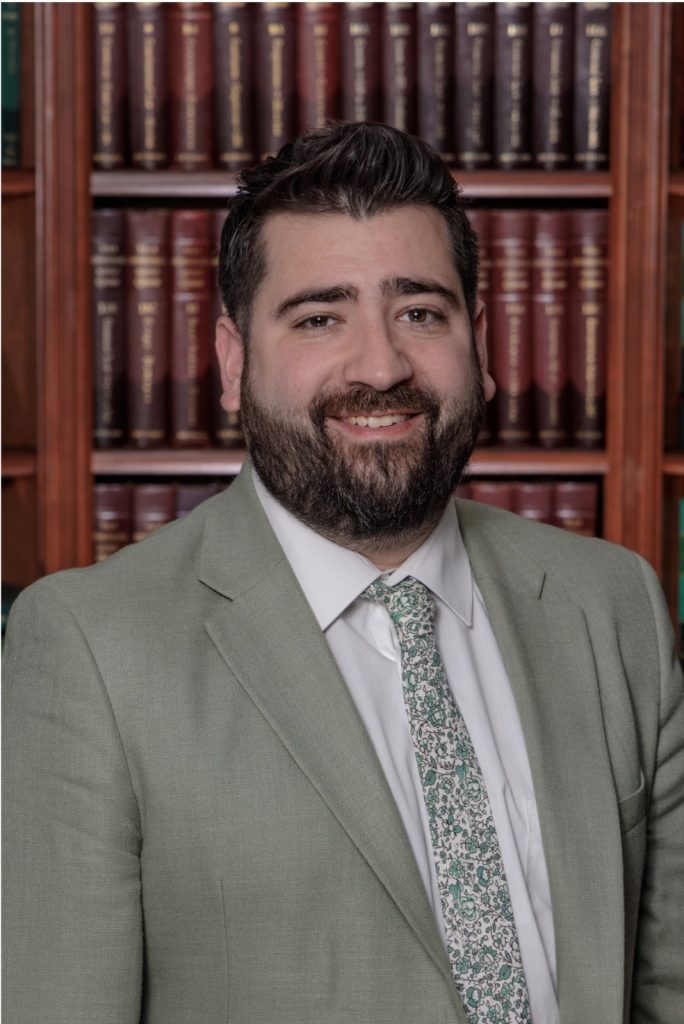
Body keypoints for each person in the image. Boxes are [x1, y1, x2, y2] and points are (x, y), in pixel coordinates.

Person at [3, 122, 683, 1024]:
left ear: (478, 347)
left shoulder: (616, 605)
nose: (382, 365)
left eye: (421, 312)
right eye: (321, 316)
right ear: (234, 362)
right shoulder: (91, 647)